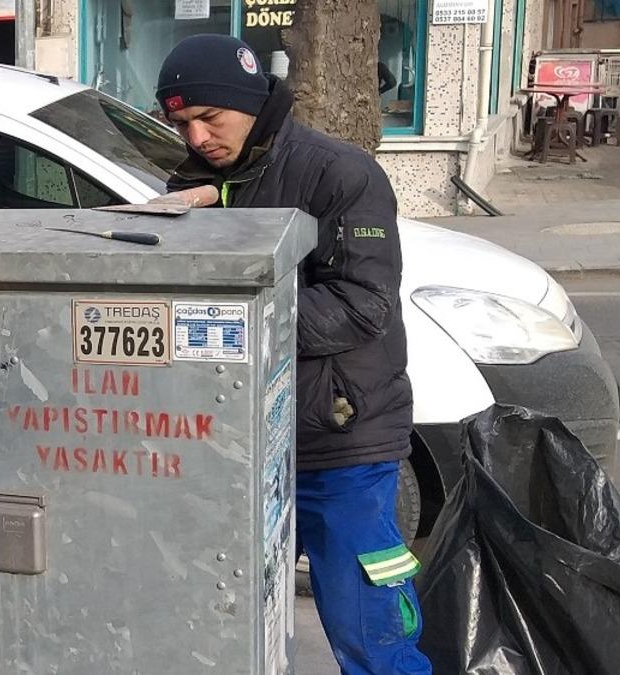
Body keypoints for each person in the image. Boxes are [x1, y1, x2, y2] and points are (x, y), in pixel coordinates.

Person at [155, 35, 432, 675]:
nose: (196, 137)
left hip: (340, 438)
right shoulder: (195, 180)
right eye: (182, 123)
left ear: (250, 103)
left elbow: (365, 305)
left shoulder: (339, 173)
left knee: (369, 622)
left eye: (209, 118)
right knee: (228, 615)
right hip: (241, 441)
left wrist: (238, 324)